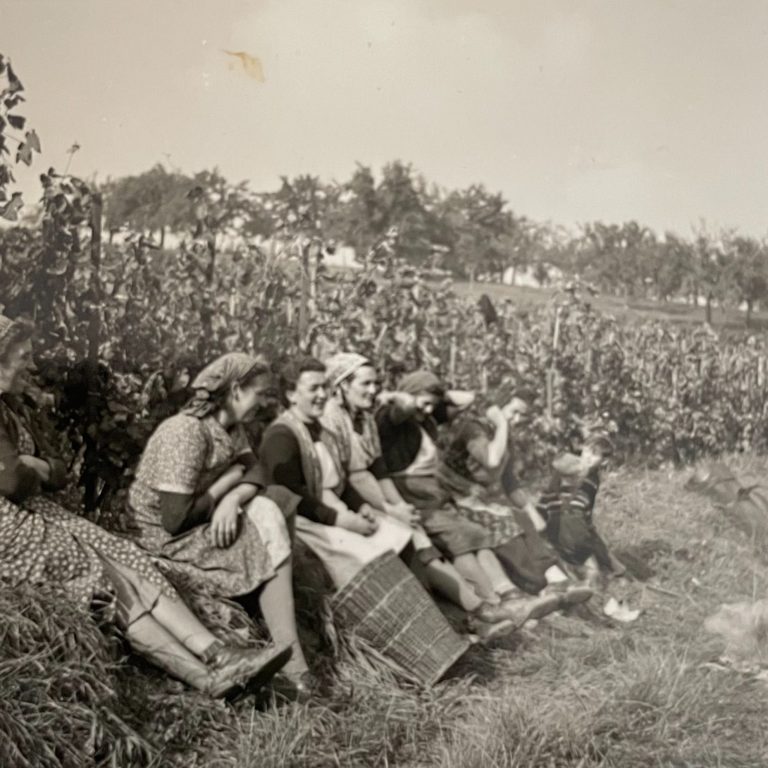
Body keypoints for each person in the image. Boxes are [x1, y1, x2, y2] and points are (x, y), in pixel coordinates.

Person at [0, 315, 291, 698]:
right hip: (11, 529)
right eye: (21, 358)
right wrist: (32, 466)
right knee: (103, 579)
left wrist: (33, 464)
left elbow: (57, 471)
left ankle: (219, 654)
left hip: (35, 512)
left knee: (124, 556)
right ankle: (205, 678)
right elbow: (12, 482)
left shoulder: (12, 408)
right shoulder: (187, 431)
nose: (29, 366)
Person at [260, 356, 470, 685]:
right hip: (300, 524)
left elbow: (337, 481)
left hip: (324, 514)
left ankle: (435, 634)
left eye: (324, 388)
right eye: (312, 388)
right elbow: (290, 496)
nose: (320, 395)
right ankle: (407, 654)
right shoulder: (281, 436)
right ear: (289, 394)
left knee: (397, 534)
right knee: (365, 556)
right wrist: (341, 521)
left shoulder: (315, 430)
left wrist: (362, 508)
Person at [128, 352, 310, 688]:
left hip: (201, 521)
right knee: (268, 517)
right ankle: (292, 659)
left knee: (275, 503)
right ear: (236, 390)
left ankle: (285, 644)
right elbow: (174, 519)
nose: (265, 403)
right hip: (165, 540)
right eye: (261, 394)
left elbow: (257, 469)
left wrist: (233, 498)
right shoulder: (185, 432)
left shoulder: (230, 427)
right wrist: (227, 484)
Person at [319, 352, 520, 640]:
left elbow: (377, 469)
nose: (372, 390)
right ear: (340, 385)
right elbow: (355, 477)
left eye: (376, 384)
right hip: (343, 501)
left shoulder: (363, 418)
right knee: (417, 543)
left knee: (423, 541)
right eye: (365, 384)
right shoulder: (335, 418)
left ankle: (482, 613)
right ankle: (475, 615)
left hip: (371, 496)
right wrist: (391, 509)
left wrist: (398, 507)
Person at [377, 370, 561, 628]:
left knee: (475, 534)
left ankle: (508, 594)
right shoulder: (393, 423)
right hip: (412, 496)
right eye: (425, 402)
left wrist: (436, 394)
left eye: (434, 404)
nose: (430, 409)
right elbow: (404, 406)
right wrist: (406, 396)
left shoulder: (425, 421)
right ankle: (493, 603)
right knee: (459, 536)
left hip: (433, 496)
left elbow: (468, 399)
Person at [439, 395, 593, 604]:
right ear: (495, 407)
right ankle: (540, 584)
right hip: (450, 498)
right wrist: (502, 422)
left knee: (524, 519)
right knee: (503, 523)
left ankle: (555, 577)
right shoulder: (473, 429)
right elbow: (492, 460)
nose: (517, 419)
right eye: (513, 412)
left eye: (522, 415)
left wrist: (530, 511)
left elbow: (508, 480)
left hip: (476, 500)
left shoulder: (503, 436)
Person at [536, 437, 621, 588]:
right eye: (587, 451)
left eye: (594, 454)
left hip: (572, 525)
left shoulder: (591, 478)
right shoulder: (572, 466)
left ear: (604, 462)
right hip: (561, 523)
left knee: (590, 563)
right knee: (586, 552)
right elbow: (550, 495)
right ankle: (597, 574)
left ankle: (591, 579)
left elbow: (584, 510)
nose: (587, 456)